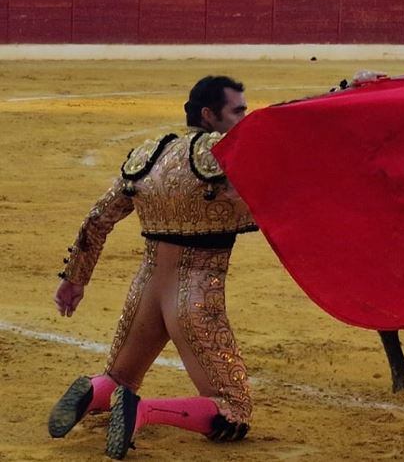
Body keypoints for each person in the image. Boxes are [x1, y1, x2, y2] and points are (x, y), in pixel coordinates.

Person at [49, 77, 257, 459]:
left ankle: (96, 391)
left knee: (120, 378)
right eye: (238, 111)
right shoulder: (230, 153)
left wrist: (74, 279)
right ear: (209, 115)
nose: (246, 119)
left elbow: (98, 219)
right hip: (195, 299)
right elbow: (293, 158)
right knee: (233, 407)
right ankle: (142, 411)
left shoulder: (149, 155)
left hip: (145, 289)